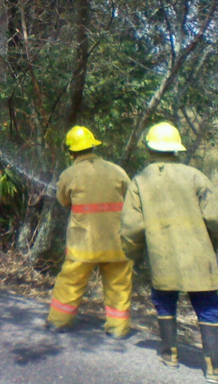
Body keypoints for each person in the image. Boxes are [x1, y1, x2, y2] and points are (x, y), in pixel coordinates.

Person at [121, 122, 218, 382]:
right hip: (200, 257)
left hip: (162, 257)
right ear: (177, 148)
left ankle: (170, 355)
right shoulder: (195, 176)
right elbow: (215, 217)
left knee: (164, 302)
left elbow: (131, 227)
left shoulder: (140, 180)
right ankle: (213, 367)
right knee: (208, 308)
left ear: (149, 148)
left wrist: (132, 256)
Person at [45, 126, 132, 339]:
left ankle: (58, 322)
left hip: (83, 243)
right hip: (116, 242)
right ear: (93, 145)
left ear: (71, 152)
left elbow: (63, 201)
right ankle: (118, 329)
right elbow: (131, 200)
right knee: (118, 285)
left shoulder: (69, 174)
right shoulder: (117, 171)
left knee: (70, 282)